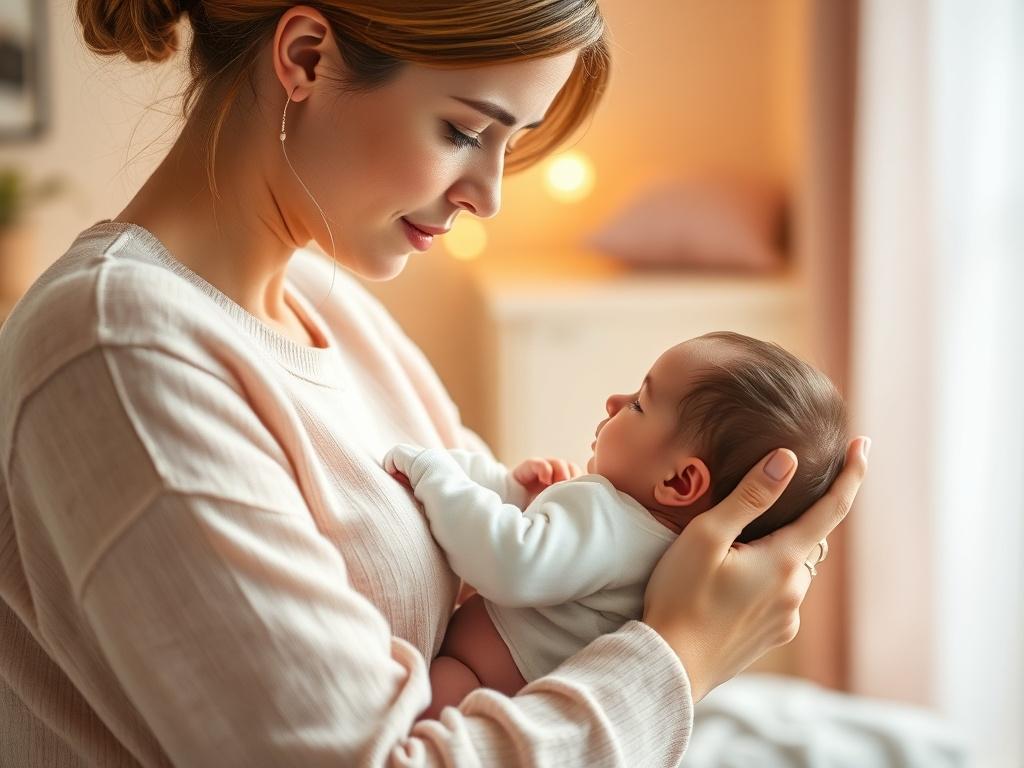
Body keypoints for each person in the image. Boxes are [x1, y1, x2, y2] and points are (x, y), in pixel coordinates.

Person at [0, 2, 869, 765]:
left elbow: (508, 548)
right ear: (305, 58)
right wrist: (682, 655)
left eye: (510, 145)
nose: (488, 197)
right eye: (463, 131)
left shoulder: (325, 303)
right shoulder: (121, 352)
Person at [383, 331, 848, 719]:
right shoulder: (678, 557)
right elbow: (535, 548)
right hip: (549, 711)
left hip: (480, 693)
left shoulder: (607, 514)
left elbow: (509, 559)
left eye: (639, 405)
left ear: (681, 481)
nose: (614, 401)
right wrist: (524, 498)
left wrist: (435, 474)